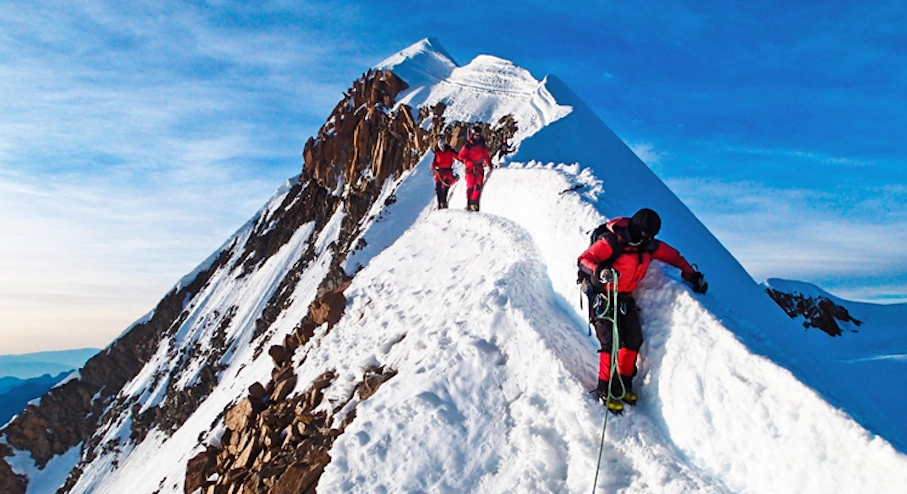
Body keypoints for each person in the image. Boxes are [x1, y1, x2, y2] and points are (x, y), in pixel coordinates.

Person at [577, 208, 708, 414]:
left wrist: (691, 275)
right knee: (610, 342)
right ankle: (605, 388)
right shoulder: (612, 241)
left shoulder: (648, 246)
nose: (648, 239)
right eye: (646, 234)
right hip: (603, 296)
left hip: (625, 298)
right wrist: (600, 271)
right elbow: (584, 259)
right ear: (636, 229)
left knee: (633, 340)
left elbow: (673, 256)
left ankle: (623, 384)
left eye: (651, 236)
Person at [457, 124, 492, 211]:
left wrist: (490, 165)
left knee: (478, 186)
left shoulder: (482, 144)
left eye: (478, 135)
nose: (477, 137)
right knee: (470, 185)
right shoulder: (468, 145)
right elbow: (461, 156)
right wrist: (467, 162)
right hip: (470, 168)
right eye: (476, 135)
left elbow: (486, 155)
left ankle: (475, 204)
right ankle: (469, 203)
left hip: (479, 167)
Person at [431, 136, 459, 209]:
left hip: (447, 172)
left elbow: (459, 157)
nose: (442, 148)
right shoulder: (437, 152)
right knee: (438, 188)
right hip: (439, 172)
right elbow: (434, 162)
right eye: (441, 146)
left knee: (444, 187)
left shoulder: (450, 151)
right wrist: (433, 167)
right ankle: (439, 204)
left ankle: (444, 202)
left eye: (443, 146)